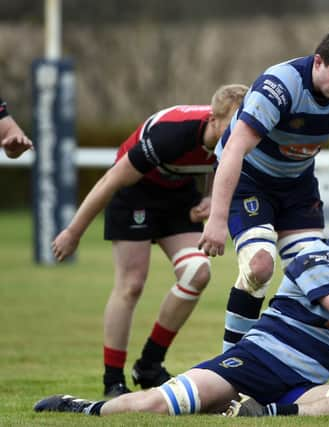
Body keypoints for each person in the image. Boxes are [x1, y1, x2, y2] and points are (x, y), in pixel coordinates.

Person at [34, 195, 329, 418]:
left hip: (300, 388)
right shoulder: (314, 258)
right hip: (251, 365)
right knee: (156, 405)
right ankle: (86, 408)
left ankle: (264, 416)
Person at [50, 84, 248, 397]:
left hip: (178, 194)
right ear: (213, 120)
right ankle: (112, 378)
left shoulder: (239, 138)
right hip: (135, 193)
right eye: (234, 125)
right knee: (131, 284)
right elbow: (110, 180)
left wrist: (211, 198)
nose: (241, 132)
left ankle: (149, 365)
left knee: (198, 273)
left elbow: (220, 164)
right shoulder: (172, 135)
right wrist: (73, 232)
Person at [197, 30, 329, 352]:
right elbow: (233, 150)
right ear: (318, 62)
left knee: (315, 275)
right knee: (260, 266)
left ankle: (281, 361)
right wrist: (217, 219)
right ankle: (231, 361)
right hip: (250, 181)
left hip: (298, 186)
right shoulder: (280, 85)